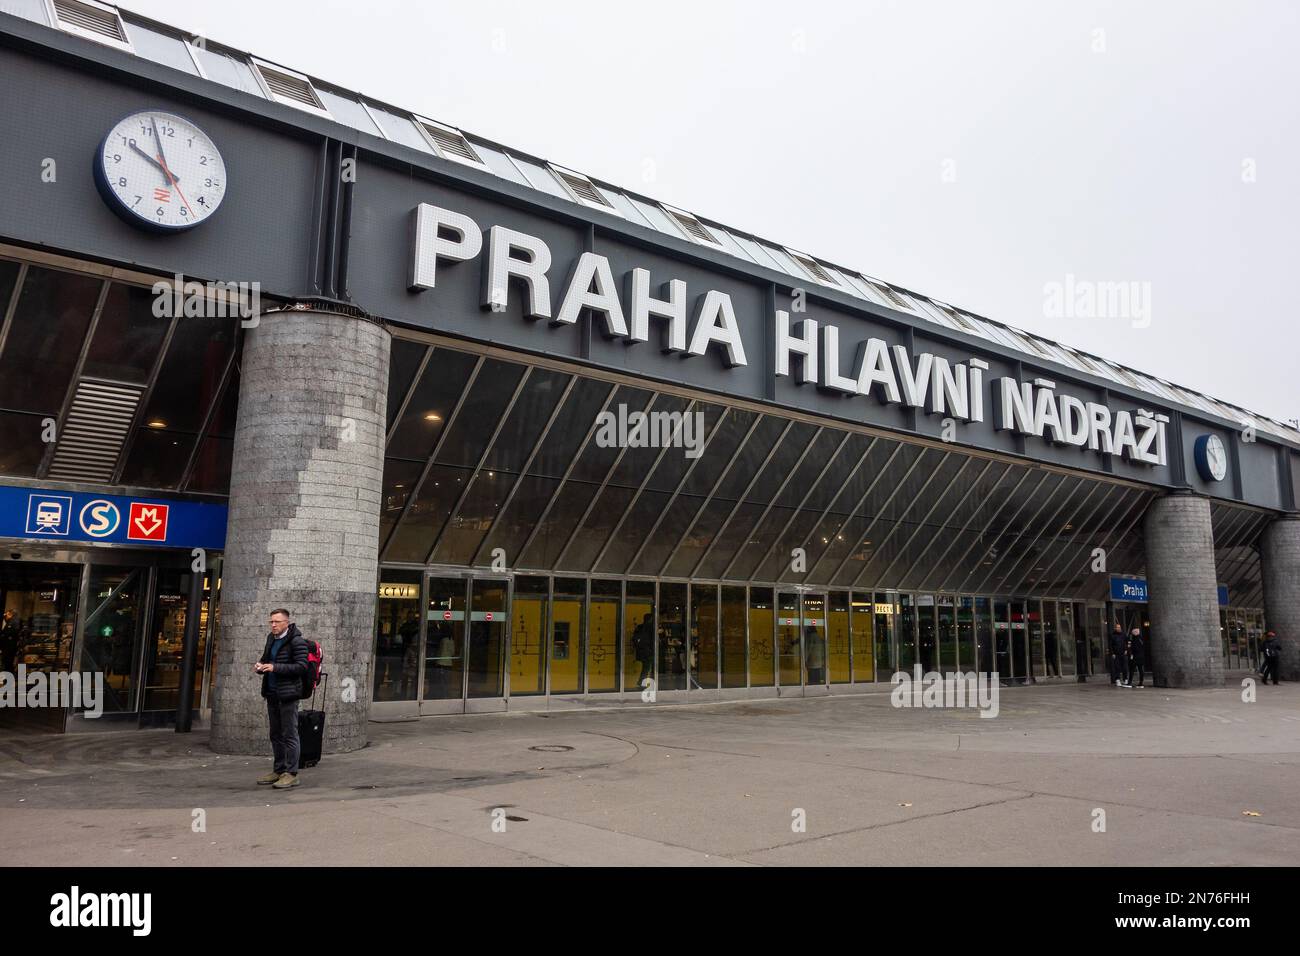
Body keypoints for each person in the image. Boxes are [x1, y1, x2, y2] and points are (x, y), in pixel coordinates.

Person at [254, 608, 308, 789]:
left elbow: (301, 667)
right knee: (275, 734)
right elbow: (266, 659)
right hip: (271, 693)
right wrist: (260, 666)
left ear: (287, 622)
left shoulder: (297, 641)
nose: (273, 625)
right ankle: (278, 770)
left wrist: (275, 667)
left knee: (290, 734)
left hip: (288, 694)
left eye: (277, 622)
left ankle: (291, 773)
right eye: (271, 622)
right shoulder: (271, 639)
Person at [632, 613, 654, 687]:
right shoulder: (651, 627)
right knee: (647, 667)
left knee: (645, 667)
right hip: (648, 651)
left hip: (641, 651)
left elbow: (634, 639)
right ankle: (642, 682)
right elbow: (652, 640)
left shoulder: (639, 627)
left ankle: (642, 682)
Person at [0, 609, 18, 674]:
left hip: (9, 647)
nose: (6, 616)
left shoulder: (13, 622)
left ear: (11, 614)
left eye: (7, 614)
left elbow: (7, 633)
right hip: (7, 646)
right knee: (6, 662)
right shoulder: (10, 621)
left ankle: (7, 677)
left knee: (8, 663)